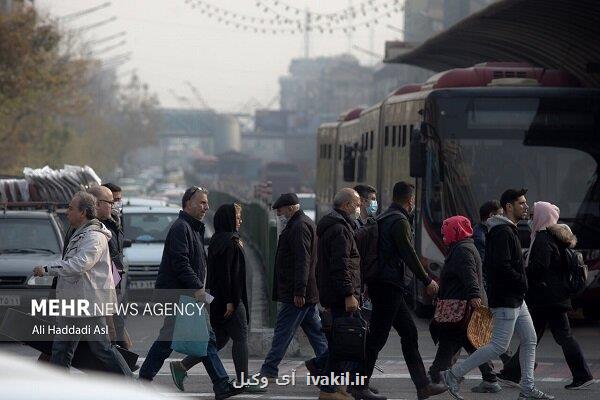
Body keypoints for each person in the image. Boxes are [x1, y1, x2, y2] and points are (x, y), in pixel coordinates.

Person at [441, 189, 554, 400]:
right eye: (521, 203)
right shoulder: (502, 232)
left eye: (525, 203)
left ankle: (527, 388)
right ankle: (452, 374)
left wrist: (521, 284)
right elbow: (500, 266)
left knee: (529, 339)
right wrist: (522, 281)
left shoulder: (508, 229)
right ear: (509, 207)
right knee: (498, 346)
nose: (525, 207)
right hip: (506, 298)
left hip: (516, 298)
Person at [139, 187, 241, 400]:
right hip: (181, 295)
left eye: (207, 203)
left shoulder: (193, 228)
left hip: (186, 294)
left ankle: (144, 379)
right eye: (202, 202)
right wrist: (198, 288)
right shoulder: (181, 228)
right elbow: (180, 263)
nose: (206, 207)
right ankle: (221, 384)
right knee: (203, 337)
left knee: (174, 339)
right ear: (188, 203)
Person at [357, 181, 446, 400]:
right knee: (377, 337)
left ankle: (422, 386)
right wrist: (427, 280)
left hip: (386, 284)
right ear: (410, 200)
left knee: (409, 332)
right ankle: (359, 385)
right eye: (414, 200)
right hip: (389, 285)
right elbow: (408, 253)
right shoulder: (399, 221)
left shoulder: (385, 217)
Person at [33, 192, 131, 376]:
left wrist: (47, 269)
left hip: (89, 302)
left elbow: (80, 264)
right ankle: (57, 391)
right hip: (74, 301)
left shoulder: (94, 237)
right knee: (61, 349)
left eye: (71, 208)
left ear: (83, 212)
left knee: (102, 349)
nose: (67, 212)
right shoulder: (79, 233)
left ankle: (133, 388)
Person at [499, 203, 594, 390]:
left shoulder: (543, 238)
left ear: (542, 216)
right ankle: (512, 373)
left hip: (547, 298)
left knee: (551, 337)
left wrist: (524, 271)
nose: (531, 217)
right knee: (533, 336)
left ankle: (582, 375)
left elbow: (539, 268)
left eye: (534, 214)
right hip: (553, 297)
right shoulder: (554, 236)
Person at [170, 203, 260, 392]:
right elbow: (229, 276)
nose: (240, 221)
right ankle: (244, 381)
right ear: (228, 219)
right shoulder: (231, 243)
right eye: (237, 217)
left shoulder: (218, 240)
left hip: (217, 299)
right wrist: (230, 301)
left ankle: (182, 366)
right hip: (231, 300)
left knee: (218, 340)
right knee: (241, 338)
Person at [258, 193, 328, 382]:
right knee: (317, 334)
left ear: (290, 207)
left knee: (283, 332)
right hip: (305, 293)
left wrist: (299, 291)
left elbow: (302, 260)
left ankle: (269, 369)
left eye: (280, 210)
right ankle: (330, 368)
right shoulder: (304, 222)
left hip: (296, 294)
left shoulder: (298, 226)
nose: (279, 213)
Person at [428, 216, 501, 394]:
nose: (444, 234)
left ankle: (436, 376)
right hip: (462, 304)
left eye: (446, 230)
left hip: (460, 306)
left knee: (449, 340)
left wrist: (474, 295)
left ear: (456, 231)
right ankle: (490, 378)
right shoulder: (462, 246)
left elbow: (469, 274)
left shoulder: (462, 250)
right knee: (469, 341)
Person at [316, 188, 362, 400]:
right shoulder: (340, 230)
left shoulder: (335, 226)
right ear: (346, 206)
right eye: (357, 203)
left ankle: (336, 387)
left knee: (341, 342)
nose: (359, 208)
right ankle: (328, 390)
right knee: (342, 344)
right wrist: (349, 294)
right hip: (340, 294)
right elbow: (341, 265)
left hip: (334, 293)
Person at [89, 185, 130, 349]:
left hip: (115, 284)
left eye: (119, 200)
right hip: (102, 287)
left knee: (115, 329)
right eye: (113, 200)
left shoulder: (115, 222)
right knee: (112, 333)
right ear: (98, 203)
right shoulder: (96, 227)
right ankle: (122, 367)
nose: (116, 204)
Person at [472, 200, 503, 266]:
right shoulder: (480, 238)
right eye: (500, 215)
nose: (503, 218)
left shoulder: (489, 231)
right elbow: (483, 264)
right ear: (491, 215)